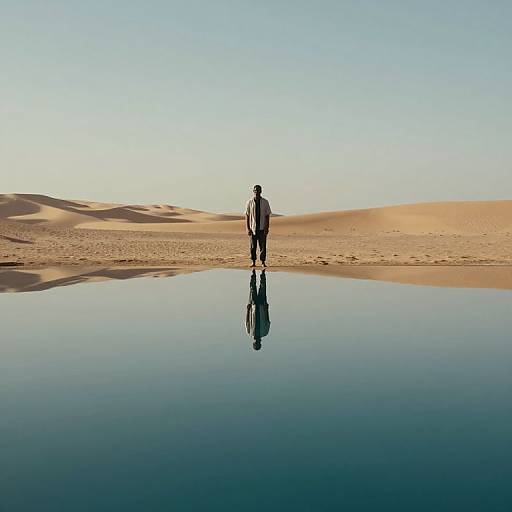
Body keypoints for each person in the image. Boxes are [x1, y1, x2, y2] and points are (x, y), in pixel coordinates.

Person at [245, 184, 272, 268]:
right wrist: (248, 228)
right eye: (255, 190)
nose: (257, 192)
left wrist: (266, 227)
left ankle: (263, 262)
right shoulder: (249, 202)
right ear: (253, 191)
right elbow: (247, 215)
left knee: (263, 246)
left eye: (258, 190)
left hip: (262, 228)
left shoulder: (265, 202)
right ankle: (253, 262)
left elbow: (267, 215)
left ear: (261, 191)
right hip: (253, 228)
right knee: (253, 246)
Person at [245, 269, 271, 351]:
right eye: (257, 344)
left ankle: (253, 273)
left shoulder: (250, 332)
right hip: (262, 307)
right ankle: (263, 273)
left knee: (253, 288)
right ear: (260, 343)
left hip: (253, 306)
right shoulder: (265, 332)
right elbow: (267, 320)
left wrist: (248, 309)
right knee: (262, 288)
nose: (257, 342)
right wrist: (266, 309)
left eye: (255, 344)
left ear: (253, 343)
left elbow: (247, 321)